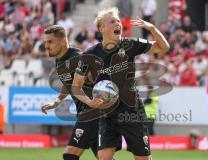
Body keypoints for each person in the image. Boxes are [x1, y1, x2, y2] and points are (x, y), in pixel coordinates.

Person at [72, 7, 169, 160]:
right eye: (112, 21)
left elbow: (164, 47)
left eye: (118, 21)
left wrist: (152, 28)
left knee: (142, 158)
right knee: (104, 158)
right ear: (101, 28)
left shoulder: (130, 45)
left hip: (132, 112)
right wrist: (90, 101)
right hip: (107, 113)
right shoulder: (89, 55)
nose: (118, 24)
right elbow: (76, 85)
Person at [41, 25, 121, 160]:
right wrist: (57, 101)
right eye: (45, 42)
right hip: (87, 112)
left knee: (70, 154)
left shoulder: (79, 58)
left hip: (92, 112)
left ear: (62, 41)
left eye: (50, 42)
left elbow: (98, 76)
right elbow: (69, 84)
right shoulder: (59, 61)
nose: (46, 46)